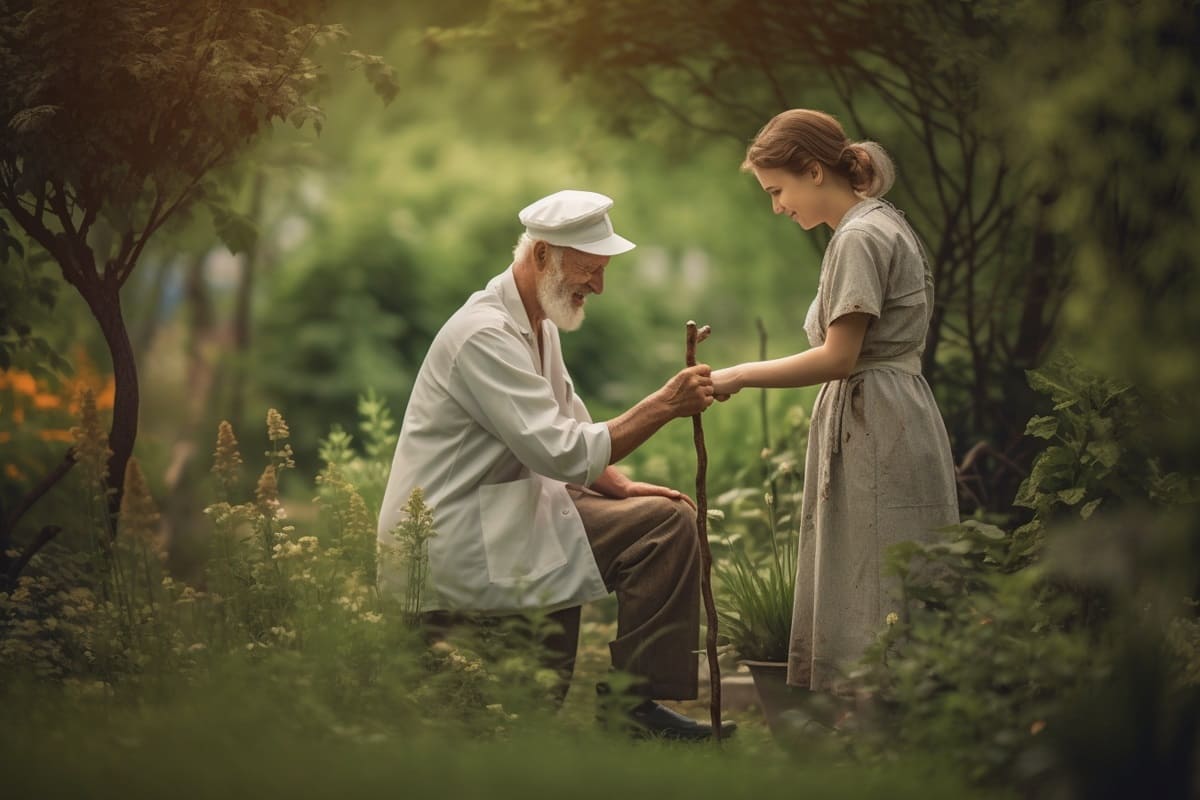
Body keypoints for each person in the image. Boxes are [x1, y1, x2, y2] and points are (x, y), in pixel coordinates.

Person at [378, 189, 734, 740]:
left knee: (664, 523)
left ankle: (632, 712)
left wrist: (618, 483)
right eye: (589, 271)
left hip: (509, 509)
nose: (599, 286)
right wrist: (665, 404)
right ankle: (611, 717)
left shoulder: (537, 323)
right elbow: (562, 451)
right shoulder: (485, 335)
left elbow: (567, 417)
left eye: (603, 271)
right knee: (509, 723)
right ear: (542, 255)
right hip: (455, 534)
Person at [711, 110, 960, 696]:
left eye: (778, 191)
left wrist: (739, 374)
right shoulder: (876, 224)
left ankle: (878, 724)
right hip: (886, 410)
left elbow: (837, 357)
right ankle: (884, 722)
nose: (777, 207)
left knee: (877, 570)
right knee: (879, 567)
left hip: (878, 420)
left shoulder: (859, 236)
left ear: (814, 171)